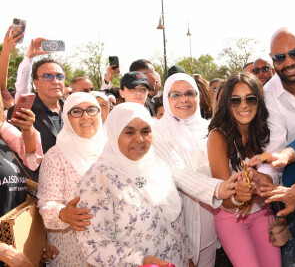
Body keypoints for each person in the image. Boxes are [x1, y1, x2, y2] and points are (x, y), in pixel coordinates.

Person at [76, 102, 190, 266]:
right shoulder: (99, 180)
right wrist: (140, 260)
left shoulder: (158, 167)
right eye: (129, 132)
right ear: (114, 134)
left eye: (146, 131)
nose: (139, 139)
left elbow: (177, 227)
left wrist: (188, 258)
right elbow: (94, 247)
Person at [153, 73, 239, 267]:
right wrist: (219, 189)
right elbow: (178, 173)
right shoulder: (158, 132)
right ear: (166, 98)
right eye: (175, 94)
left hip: (212, 224)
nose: (184, 99)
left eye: (190, 93)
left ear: (198, 96)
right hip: (180, 229)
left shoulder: (208, 128)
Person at [207, 73, 281, 267]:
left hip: (263, 213)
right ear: (226, 104)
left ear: (259, 102)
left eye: (250, 99)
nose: (244, 105)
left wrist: (260, 187)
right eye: (235, 100)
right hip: (232, 219)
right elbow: (227, 199)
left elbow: (276, 173)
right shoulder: (218, 136)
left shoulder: (264, 130)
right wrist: (242, 196)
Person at [37, 92, 106, 266]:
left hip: (113, 249)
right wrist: (63, 214)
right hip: (73, 251)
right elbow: (46, 203)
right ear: (66, 118)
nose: (85, 116)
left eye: (91, 110)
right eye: (76, 111)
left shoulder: (113, 149)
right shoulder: (56, 156)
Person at [257, 27, 295, 266]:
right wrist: (265, 182)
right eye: (280, 57)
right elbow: (275, 148)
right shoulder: (269, 94)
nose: (289, 62)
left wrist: (287, 154)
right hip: (291, 195)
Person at [0, 93, 43, 266]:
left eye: (1, 107)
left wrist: (37, 245)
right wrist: (4, 251)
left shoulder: (5, 140)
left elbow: (31, 158)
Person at [8, 58, 65, 179]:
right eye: (48, 76)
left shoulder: (74, 110)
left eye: (60, 76)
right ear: (36, 83)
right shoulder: (23, 112)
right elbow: (17, 157)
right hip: (39, 187)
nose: (55, 81)